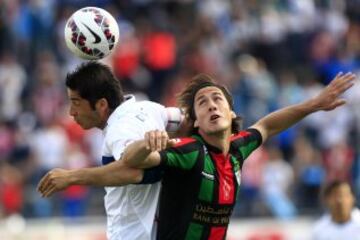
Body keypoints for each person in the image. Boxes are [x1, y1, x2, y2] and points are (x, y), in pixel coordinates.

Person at [119, 72, 356, 239]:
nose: (211, 105)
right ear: (196, 122)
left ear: (231, 113)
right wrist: (145, 145)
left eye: (217, 99)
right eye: (202, 103)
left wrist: (314, 104)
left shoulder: (237, 147)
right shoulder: (188, 150)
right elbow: (131, 160)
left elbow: (267, 126)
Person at [37, 61, 184, 240]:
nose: (71, 112)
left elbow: (130, 166)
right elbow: (187, 118)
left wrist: (71, 177)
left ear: (101, 105)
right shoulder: (150, 108)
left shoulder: (119, 130)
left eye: (76, 103)